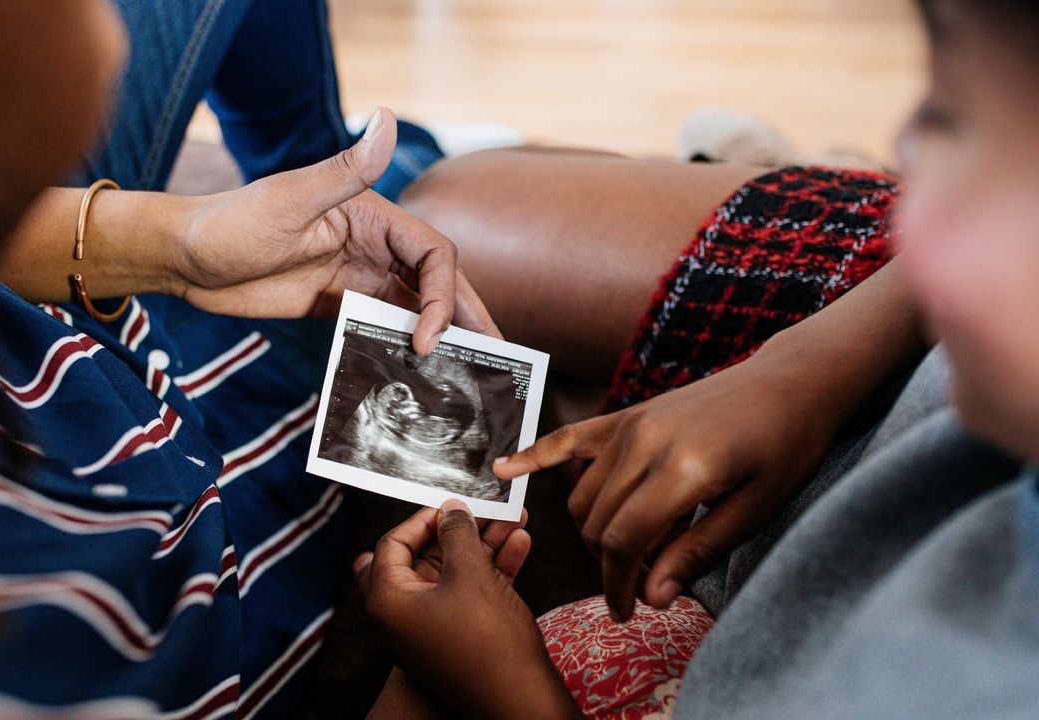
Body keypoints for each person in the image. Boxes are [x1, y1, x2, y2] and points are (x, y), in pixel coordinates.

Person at [0, 2, 497, 718]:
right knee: (420, 188)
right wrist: (446, 686)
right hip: (221, 492)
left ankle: (349, 159)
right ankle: (408, 161)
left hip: (101, 325)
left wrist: (182, 246)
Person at [359, 0, 1039, 717]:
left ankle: (758, 173)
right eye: (934, 104)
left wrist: (503, 688)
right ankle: (783, 174)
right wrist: (801, 369)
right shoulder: (973, 239)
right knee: (448, 209)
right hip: (904, 350)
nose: (911, 158)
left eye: (949, 121)